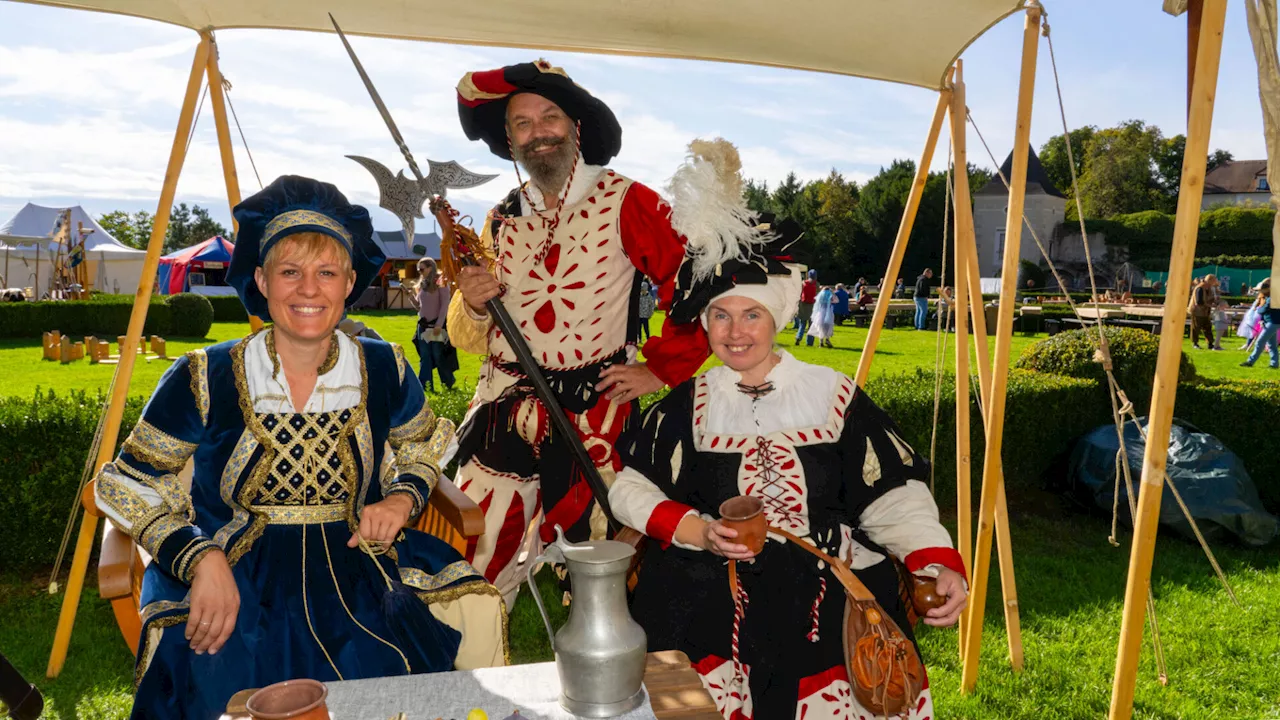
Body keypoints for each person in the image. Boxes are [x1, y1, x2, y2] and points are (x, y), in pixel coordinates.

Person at [94, 176, 506, 720]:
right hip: (240, 574)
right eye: (290, 272)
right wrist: (200, 558)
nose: (308, 290)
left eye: (326, 272)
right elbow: (123, 481)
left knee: (422, 641)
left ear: (349, 281)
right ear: (262, 280)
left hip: (361, 563)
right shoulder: (205, 375)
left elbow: (425, 444)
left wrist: (402, 500)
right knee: (216, 667)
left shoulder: (383, 367)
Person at [608, 149, 966, 718]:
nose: (735, 331)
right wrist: (694, 530)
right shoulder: (686, 405)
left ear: (776, 318)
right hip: (704, 592)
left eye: (752, 314)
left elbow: (891, 494)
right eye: (721, 316)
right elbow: (629, 490)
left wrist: (935, 558)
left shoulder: (832, 394)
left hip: (822, 597)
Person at [446, 61, 711, 603]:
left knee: (606, 565)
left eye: (550, 117)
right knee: (469, 553)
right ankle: (474, 669)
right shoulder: (500, 218)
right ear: (509, 139)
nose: (538, 131)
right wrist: (474, 304)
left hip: (595, 411)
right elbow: (469, 329)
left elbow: (696, 280)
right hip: (502, 403)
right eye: (522, 123)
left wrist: (660, 367)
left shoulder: (626, 199)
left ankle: (603, 672)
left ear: (576, 127)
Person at [408, 257, 457, 391]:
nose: (420, 272)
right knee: (425, 357)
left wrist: (439, 325)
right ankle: (425, 386)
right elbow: (419, 307)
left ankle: (448, 383)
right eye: (418, 269)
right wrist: (411, 297)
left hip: (436, 326)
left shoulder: (441, 282)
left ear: (431, 268)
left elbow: (444, 305)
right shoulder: (422, 284)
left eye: (422, 269)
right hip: (423, 326)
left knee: (438, 355)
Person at [1241, 279, 1278, 369]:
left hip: (1273, 322)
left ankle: (1250, 361)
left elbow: (1263, 310)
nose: (1259, 292)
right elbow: (1264, 311)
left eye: (1261, 290)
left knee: (1260, 342)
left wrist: (1259, 309)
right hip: (1270, 322)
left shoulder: (1272, 298)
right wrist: (1262, 319)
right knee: (1272, 345)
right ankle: (1274, 364)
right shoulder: (1269, 297)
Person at [1188, 274, 1220, 350]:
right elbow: (1199, 302)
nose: (1213, 284)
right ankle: (1195, 343)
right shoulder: (1199, 288)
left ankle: (1210, 344)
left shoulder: (1209, 288)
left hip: (1205, 312)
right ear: (1209, 281)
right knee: (1196, 328)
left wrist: (1215, 301)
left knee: (1208, 327)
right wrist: (1210, 305)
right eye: (1213, 282)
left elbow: (1210, 298)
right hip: (1197, 311)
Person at [795, 268, 818, 345]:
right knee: (811, 325)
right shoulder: (817, 284)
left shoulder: (803, 283)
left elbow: (799, 293)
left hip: (803, 305)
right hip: (813, 305)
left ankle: (798, 337)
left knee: (802, 323)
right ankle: (810, 342)